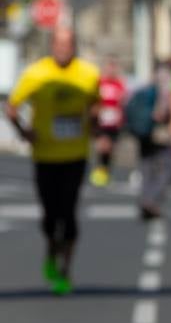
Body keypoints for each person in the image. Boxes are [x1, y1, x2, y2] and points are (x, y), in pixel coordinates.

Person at [5, 27, 99, 295]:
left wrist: (93, 125)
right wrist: (24, 131)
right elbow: (11, 105)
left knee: (68, 213)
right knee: (49, 215)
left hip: (75, 154)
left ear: (75, 46)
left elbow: (96, 103)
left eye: (68, 44)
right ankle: (50, 250)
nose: (63, 49)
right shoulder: (36, 73)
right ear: (52, 46)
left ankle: (65, 269)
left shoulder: (88, 74)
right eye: (59, 44)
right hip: (45, 154)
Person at [126, 57, 171, 220]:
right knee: (167, 168)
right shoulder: (167, 83)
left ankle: (145, 200)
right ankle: (151, 201)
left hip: (143, 132)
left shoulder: (149, 82)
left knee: (146, 168)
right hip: (158, 133)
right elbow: (164, 110)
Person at [92, 56, 127, 187]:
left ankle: (106, 169)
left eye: (114, 67)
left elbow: (122, 102)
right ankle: (100, 169)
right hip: (102, 121)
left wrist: (121, 117)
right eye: (109, 67)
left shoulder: (119, 84)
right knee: (103, 145)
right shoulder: (100, 82)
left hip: (114, 122)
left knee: (110, 148)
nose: (111, 70)